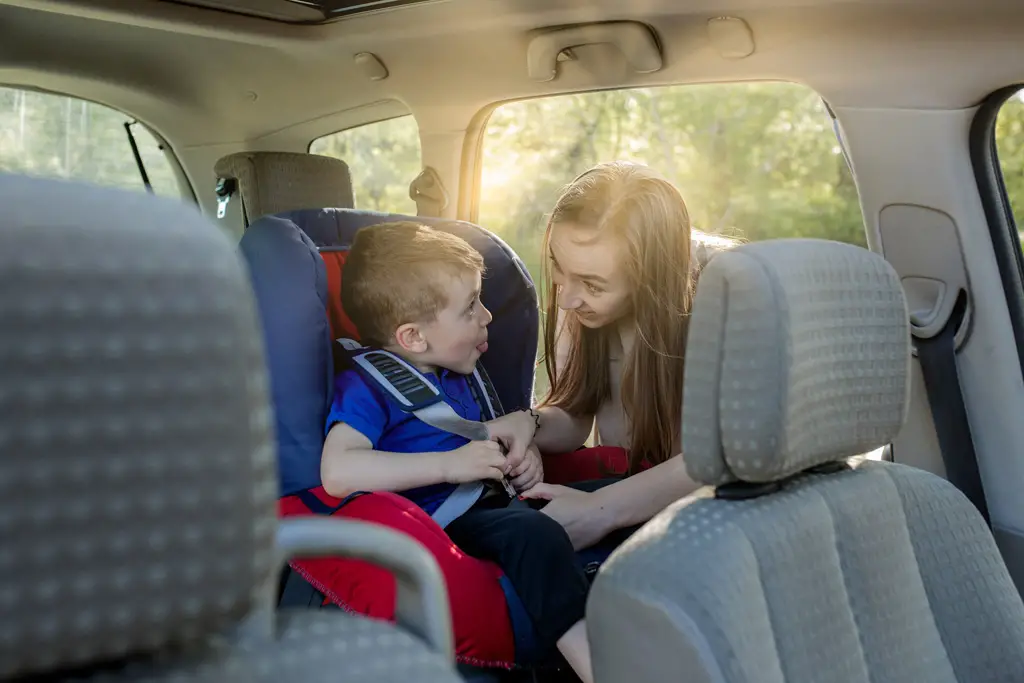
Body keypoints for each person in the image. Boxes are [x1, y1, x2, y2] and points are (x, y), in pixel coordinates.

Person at [320, 221, 594, 682]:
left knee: (603, 492)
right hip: (442, 522)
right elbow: (338, 470)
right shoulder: (369, 386)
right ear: (413, 338)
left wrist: (519, 459)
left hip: (495, 504)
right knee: (535, 536)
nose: (487, 317)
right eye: (470, 308)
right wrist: (448, 465)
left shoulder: (459, 371)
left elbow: (490, 439)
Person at [521, 161, 738, 551]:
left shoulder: (723, 303)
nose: (567, 299)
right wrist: (528, 425)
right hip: (625, 484)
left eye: (593, 284)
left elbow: (723, 456)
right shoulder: (579, 302)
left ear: (650, 279)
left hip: (704, 523)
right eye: (557, 266)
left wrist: (599, 510)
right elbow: (574, 413)